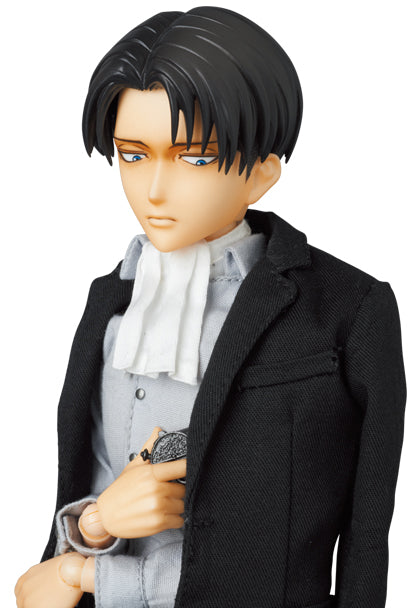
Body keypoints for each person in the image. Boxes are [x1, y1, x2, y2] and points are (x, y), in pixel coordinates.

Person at [15, 7, 406, 608]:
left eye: (195, 158)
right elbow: (86, 480)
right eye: (133, 155)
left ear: (262, 172)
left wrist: (84, 576)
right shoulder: (109, 299)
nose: (154, 191)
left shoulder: (347, 309)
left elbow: (366, 537)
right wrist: (91, 527)